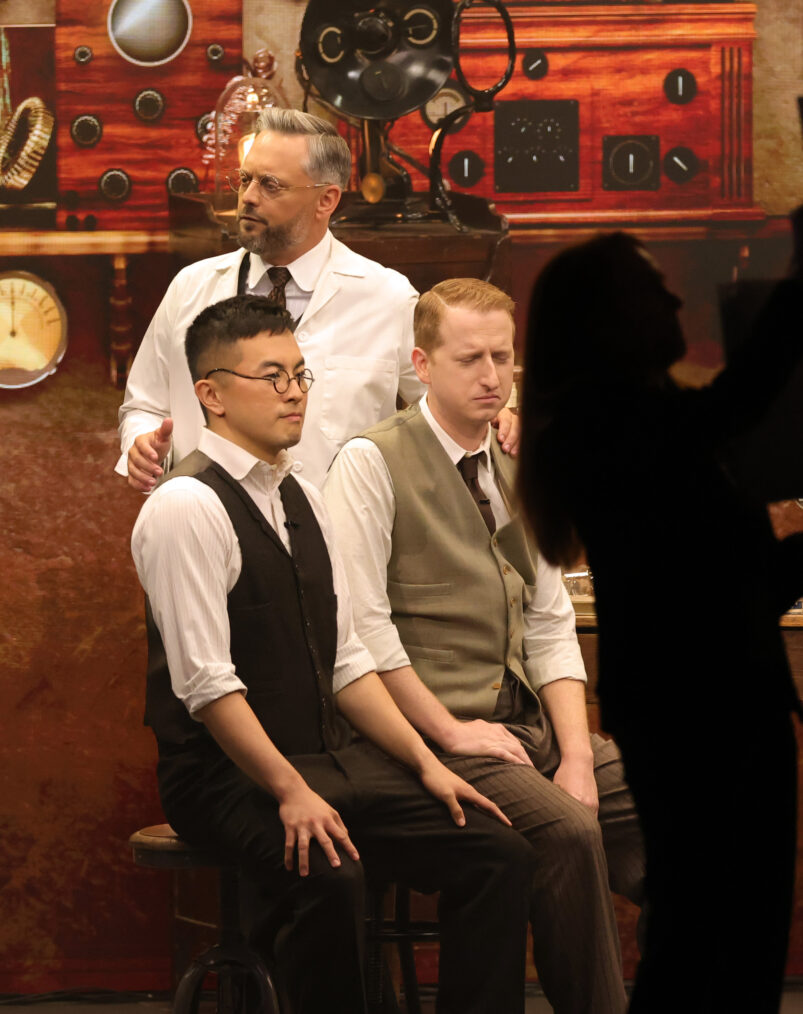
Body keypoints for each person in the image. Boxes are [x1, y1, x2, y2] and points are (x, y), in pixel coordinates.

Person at [131, 293, 531, 1014]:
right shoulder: (184, 506)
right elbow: (207, 687)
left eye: (300, 374)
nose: (294, 393)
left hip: (328, 760)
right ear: (210, 394)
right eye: (271, 377)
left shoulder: (304, 496)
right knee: (331, 876)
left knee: (497, 855)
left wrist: (424, 764)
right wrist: (289, 790)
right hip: (224, 779)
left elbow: (349, 663)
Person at [323, 278, 646, 1014]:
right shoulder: (369, 464)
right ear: (422, 363)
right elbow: (362, 632)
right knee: (566, 832)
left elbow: (547, 620)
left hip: (522, 724)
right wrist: (446, 730)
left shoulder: (518, 461)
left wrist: (574, 756)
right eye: (469, 358)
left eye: (502, 357)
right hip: (424, 734)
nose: (492, 376)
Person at [517, 232, 803, 1014]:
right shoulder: (610, 426)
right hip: (698, 715)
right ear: (608, 318)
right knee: (711, 941)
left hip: (714, 706)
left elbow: (735, 588)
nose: (676, 300)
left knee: (725, 936)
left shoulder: (636, 422)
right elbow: (741, 401)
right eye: (653, 289)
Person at [117, 107, 517, 491]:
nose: (248, 197)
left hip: (340, 539)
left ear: (327, 200)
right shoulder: (190, 288)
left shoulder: (387, 297)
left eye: (270, 184)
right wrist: (143, 446)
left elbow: (446, 408)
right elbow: (143, 406)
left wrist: (496, 415)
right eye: (244, 180)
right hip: (209, 529)